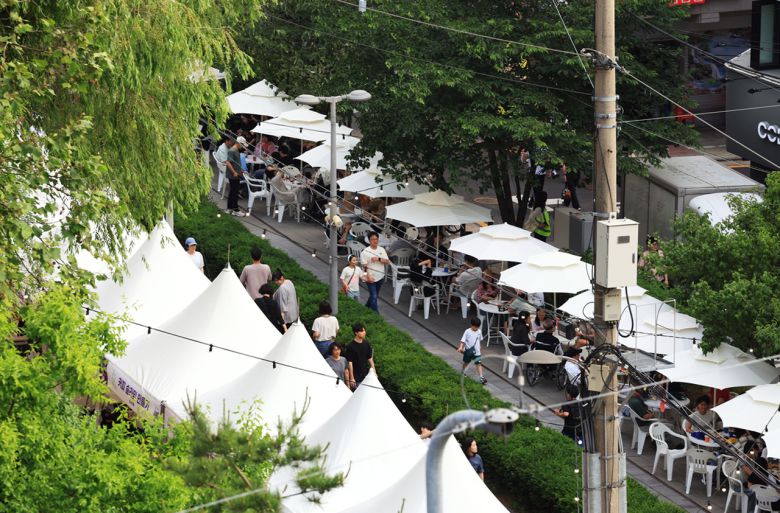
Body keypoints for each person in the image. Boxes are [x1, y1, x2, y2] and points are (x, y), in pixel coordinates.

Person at [360, 232, 390, 312]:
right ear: (369, 241)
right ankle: (376, 314)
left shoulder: (381, 249)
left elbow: (387, 261)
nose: (375, 241)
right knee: (374, 296)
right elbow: (364, 266)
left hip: (380, 276)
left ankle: (367, 306)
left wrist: (378, 259)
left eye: (376, 239)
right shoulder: (365, 252)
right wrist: (368, 277)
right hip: (370, 277)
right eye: (372, 239)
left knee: (374, 295)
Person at [344, 322, 376, 390]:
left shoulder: (366, 344)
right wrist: (352, 378)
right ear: (356, 333)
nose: (364, 332)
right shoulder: (350, 346)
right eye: (361, 331)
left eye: (364, 330)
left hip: (365, 375)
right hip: (356, 377)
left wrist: (374, 372)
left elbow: (370, 358)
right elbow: (350, 362)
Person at [456, 317, 487, 385]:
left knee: (478, 364)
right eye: (475, 327)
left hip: (477, 352)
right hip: (468, 351)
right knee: (466, 363)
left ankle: (481, 377)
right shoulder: (467, 331)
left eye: (477, 327)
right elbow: (463, 340)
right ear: (471, 325)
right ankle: (463, 372)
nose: (476, 328)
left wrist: (480, 347)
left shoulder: (479, 331)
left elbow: (479, 340)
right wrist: (461, 347)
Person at [225, 137, 243, 216]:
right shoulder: (232, 151)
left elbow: (236, 163)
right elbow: (228, 162)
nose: (243, 147)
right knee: (235, 192)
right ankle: (236, 209)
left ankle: (229, 208)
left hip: (236, 173)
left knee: (232, 191)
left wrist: (240, 170)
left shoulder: (236, 150)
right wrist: (234, 172)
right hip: (233, 175)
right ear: (238, 143)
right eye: (242, 145)